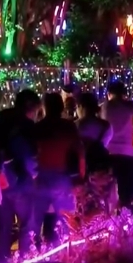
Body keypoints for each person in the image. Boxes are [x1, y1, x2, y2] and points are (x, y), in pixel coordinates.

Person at [0, 90, 41, 263]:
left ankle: (1, 259)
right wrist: (35, 175)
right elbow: (29, 157)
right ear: (31, 108)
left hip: (1, 181)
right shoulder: (25, 126)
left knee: (4, 226)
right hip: (21, 182)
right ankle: (25, 258)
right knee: (27, 224)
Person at [33, 93, 84, 247]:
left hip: (40, 177)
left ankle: (37, 252)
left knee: (36, 222)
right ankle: (64, 252)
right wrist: (80, 178)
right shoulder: (68, 127)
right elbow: (80, 153)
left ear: (45, 107)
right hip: (62, 177)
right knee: (65, 221)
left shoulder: (38, 127)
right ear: (61, 107)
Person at [100, 81, 133, 208]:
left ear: (109, 94)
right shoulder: (131, 106)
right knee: (126, 187)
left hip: (108, 151)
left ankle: (110, 212)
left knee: (108, 186)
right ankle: (125, 211)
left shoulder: (105, 106)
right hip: (127, 152)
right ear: (124, 94)